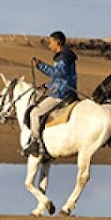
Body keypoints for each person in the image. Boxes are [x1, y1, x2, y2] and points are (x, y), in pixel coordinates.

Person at [25, 30, 78, 159]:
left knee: (34, 113)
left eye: (51, 42)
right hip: (66, 89)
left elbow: (58, 73)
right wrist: (48, 86)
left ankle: (36, 144)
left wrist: (40, 66)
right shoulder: (67, 56)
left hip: (61, 94)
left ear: (57, 42)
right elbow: (61, 78)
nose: (50, 46)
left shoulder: (63, 57)